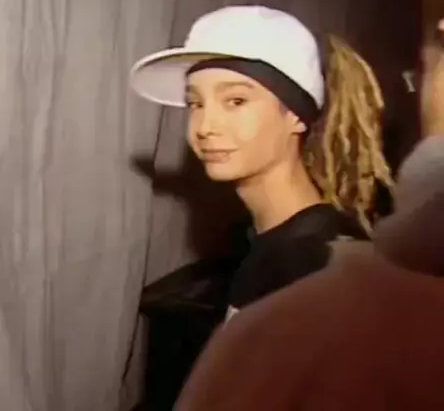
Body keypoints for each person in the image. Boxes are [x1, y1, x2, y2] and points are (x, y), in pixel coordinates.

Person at [130, 6, 393, 318]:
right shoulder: (273, 244)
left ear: (296, 114)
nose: (204, 127)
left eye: (236, 101)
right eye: (195, 103)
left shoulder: (314, 268)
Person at [175, 133, 444, 411]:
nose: (204, 127)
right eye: (195, 109)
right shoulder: (266, 243)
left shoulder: (310, 258)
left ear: (296, 119)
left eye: (235, 107)